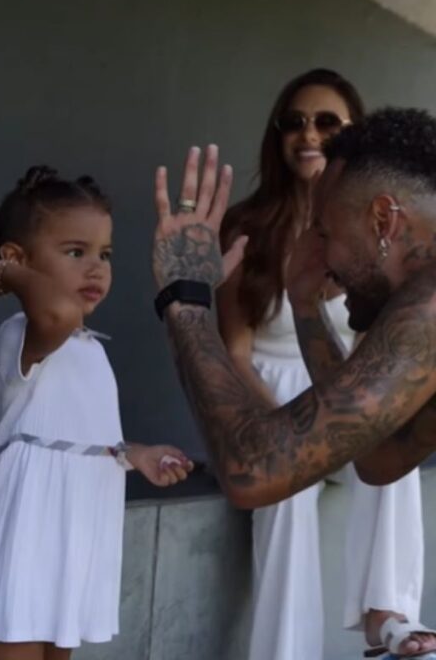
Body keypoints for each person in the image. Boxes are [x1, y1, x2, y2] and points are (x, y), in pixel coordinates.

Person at [152, 108, 436, 657]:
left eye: (324, 231)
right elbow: (378, 457)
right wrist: (305, 306)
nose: (318, 251)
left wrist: (185, 299)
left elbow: (253, 471)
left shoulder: (429, 306)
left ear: (383, 220)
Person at [218, 70, 424, 659]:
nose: (308, 135)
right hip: (264, 398)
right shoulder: (248, 226)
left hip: (334, 393)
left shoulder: (375, 230)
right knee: (285, 493)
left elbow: (370, 351)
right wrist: (281, 431)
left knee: (389, 438)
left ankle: (387, 614)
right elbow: (234, 353)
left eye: (327, 122)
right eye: (295, 122)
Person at [0, 166, 193, 659]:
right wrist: (6, 276)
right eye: (76, 252)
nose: (96, 268)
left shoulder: (89, 347)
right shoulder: (25, 332)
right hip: (27, 526)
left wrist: (134, 453)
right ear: (17, 259)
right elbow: (57, 312)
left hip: (75, 529)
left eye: (105, 254)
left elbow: (79, 433)